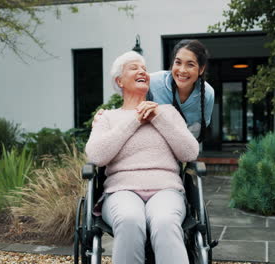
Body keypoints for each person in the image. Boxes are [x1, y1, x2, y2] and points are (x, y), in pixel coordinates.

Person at [85, 51, 199, 264]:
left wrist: (157, 118)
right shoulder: (108, 117)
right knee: (129, 220)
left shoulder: (168, 112)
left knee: (165, 222)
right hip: (121, 191)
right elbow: (96, 155)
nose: (142, 72)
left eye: (144, 69)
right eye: (134, 67)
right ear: (119, 81)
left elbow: (190, 153)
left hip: (166, 189)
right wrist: (135, 120)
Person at [94, 39, 215, 141]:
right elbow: (130, 106)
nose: (182, 70)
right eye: (178, 63)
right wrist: (106, 119)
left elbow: (199, 130)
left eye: (190, 64)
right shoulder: (153, 82)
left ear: (201, 69)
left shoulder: (207, 94)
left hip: (180, 150)